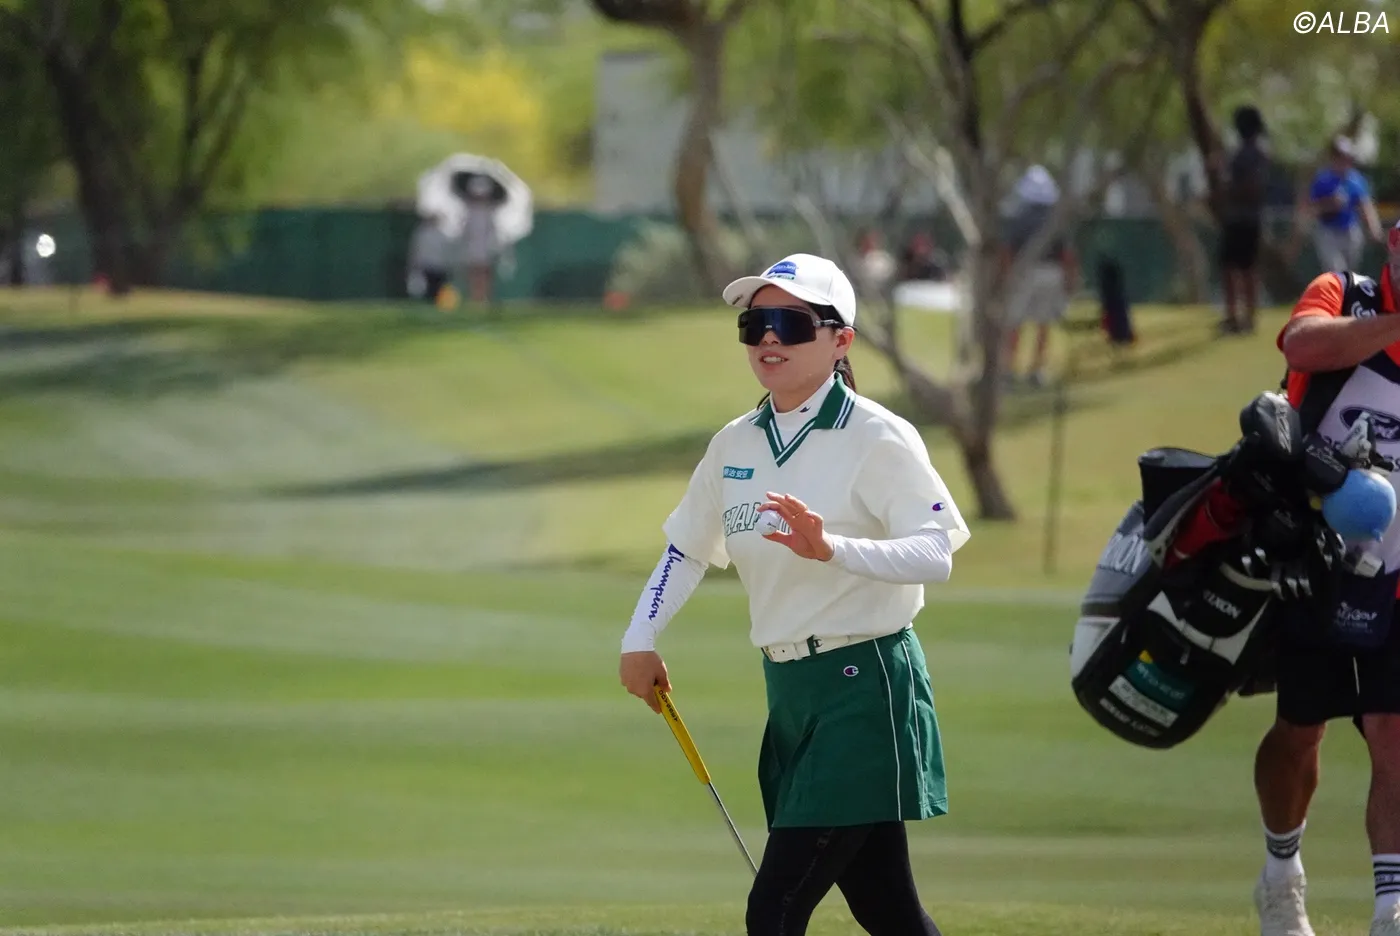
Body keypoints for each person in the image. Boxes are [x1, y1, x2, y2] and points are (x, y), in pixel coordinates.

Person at [617, 253, 971, 936]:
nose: (769, 338)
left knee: (775, 908)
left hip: (864, 685)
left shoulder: (878, 435)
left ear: (841, 341)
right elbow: (686, 548)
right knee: (888, 911)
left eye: (792, 322)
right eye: (755, 325)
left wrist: (831, 547)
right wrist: (640, 637)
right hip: (790, 690)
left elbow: (935, 553)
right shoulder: (735, 443)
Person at [1257, 219, 1400, 936]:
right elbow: (1302, 345)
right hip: (1315, 563)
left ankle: (1390, 908)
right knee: (1300, 731)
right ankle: (1281, 873)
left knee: (1393, 730)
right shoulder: (1343, 292)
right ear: (1393, 246)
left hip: (1398, 576)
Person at [1001, 165, 1079, 388]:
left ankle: (1008, 370)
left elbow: (1008, 251)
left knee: (1015, 322)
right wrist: (1070, 279)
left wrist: (1007, 277)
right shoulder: (1055, 219)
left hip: (1025, 273)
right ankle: (1036, 371)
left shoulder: (1020, 218)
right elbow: (1067, 254)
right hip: (1052, 274)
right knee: (1043, 323)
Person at [1218, 105, 1271, 336]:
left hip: (1246, 218)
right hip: (1239, 217)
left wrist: (1227, 188)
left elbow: (1253, 187)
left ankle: (1245, 316)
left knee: (1243, 268)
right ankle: (1236, 316)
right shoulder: (1244, 152)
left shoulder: (1254, 153)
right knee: (1234, 267)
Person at [1306, 136, 1385, 275]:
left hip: (1350, 230)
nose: (1344, 161)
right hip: (1328, 231)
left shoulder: (1356, 180)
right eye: (1340, 156)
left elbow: (1365, 205)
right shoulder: (1323, 179)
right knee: (1336, 270)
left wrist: (1374, 229)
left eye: (1347, 157)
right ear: (1333, 157)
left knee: (1350, 273)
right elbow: (1311, 209)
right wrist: (1331, 204)